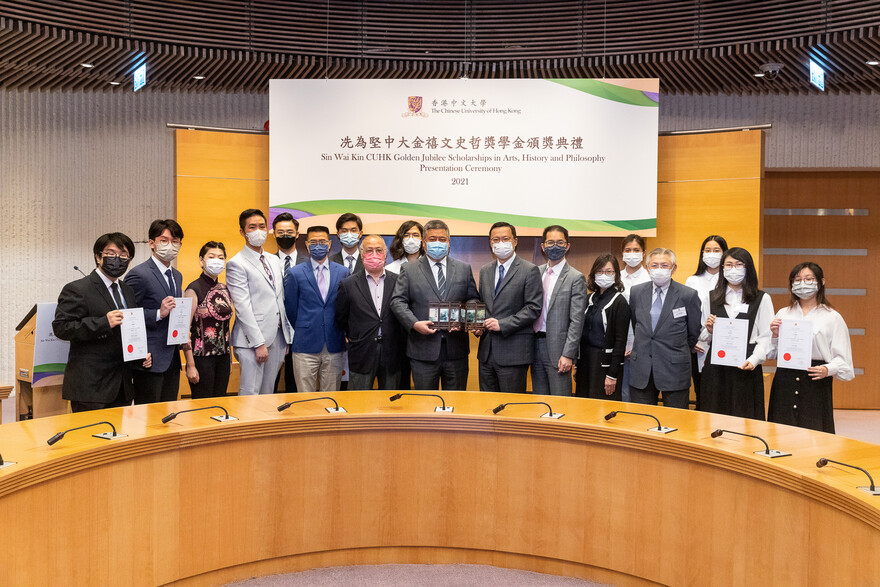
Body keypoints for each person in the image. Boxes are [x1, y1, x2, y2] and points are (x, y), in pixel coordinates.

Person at [53, 233, 151, 412]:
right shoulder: (77, 289)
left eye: (123, 256)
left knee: (119, 438)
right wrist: (103, 323)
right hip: (90, 387)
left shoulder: (127, 291)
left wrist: (140, 355)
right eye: (111, 254)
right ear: (98, 257)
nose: (117, 260)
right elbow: (61, 327)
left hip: (122, 386)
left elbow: (127, 331)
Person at [390, 219, 479, 390]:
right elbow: (397, 301)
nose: (437, 243)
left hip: (456, 351)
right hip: (422, 351)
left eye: (442, 239)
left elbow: (472, 299)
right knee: (424, 405)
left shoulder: (464, 268)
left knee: (456, 404)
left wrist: (464, 320)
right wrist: (414, 324)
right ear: (424, 243)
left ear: (448, 242)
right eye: (432, 239)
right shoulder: (409, 270)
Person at [767, 262, 854, 433]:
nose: (803, 283)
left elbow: (844, 362)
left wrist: (827, 369)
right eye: (797, 280)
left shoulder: (832, 317)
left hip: (815, 378)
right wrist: (775, 336)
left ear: (821, 282)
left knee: (814, 431)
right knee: (781, 429)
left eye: (809, 279)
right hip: (785, 378)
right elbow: (771, 353)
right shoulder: (783, 313)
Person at [700, 247, 773, 420]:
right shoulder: (710, 297)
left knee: (744, 417)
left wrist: (754, 360)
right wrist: (709, 331)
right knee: (715, 416)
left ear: (748, 268)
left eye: (739, 264)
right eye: (729, 265)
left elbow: (766, 336)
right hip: (717, 368)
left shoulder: (762, 298)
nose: (733, 269)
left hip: (745, 366)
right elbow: (703, 335)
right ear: (722, 269)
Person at [226, 209, 293, 395]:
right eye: (252, 227)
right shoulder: (236, 263)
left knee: (267, 393)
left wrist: (285, 337)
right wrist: (258, 343)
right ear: (243, 232)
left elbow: (279, 298)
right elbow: (242, 307)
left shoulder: (274, 259)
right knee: (250, 393)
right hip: (252, 341)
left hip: (277, 338)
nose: (258, 231)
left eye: (262, 226)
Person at [628, 247, 703, 409]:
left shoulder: (687, 295)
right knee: (641, 420)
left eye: (664, 265)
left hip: (674, 368)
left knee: (675, 422)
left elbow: (693, 332)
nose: (659, 270)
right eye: (654, 266)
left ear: (674, 268)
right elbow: (637, 325)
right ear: (647, 268)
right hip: (642, 368)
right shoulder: (636, 292)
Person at [477, 221, 543, 393]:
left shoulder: (529, 270)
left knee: (510, 406)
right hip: (486, 353)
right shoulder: (485, 271)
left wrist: (503, 324)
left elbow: (533, 308)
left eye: (505, 239)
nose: (500, 243)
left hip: (514, 353)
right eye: (495, 240)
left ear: (515, 241)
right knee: (485, 406)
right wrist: (476, 323)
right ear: (490, 243)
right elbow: (481, 303)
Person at [124, 219, 184, 404]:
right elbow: (127, 315)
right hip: (148, 359)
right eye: (164, 240)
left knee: (168, 413)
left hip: (172, 357)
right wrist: (158, 313)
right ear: (152, 243)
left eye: (175, 242)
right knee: (148, 417)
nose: (170, 246)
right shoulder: (139, 274)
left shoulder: (176, 275)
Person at [284, 225, 348, 392]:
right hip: (305, 344)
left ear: (329, 244)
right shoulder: (295, 273)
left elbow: (345, 307)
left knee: (332, 395)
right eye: (313, 242)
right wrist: (305, 325)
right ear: (306, 244)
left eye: (322, 241)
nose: (317, 245)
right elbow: (291, 308)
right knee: (305, 397)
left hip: (334, 343)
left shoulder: (343, 272)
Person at [335, 235, 403, 390]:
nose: (374, 254)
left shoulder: (399, 281)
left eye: (379, 250)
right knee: (358, 404)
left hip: (392, 352)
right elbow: (341, 318)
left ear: (385, 254)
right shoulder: (348, 285)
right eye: (369, 250)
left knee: (390, 405)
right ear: (361, 252)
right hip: (361, 352)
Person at [530, 225, 587, 396]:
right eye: (550, 242)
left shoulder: (575, 277)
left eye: (560, 242)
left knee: (560, 403)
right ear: (543, 246)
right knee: (539, 402)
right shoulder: (535, 272)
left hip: (559, 351)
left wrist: (568, 354)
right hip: (534, 346)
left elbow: (577, 321)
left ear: (567, 246)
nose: (555, 246)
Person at [575, 254, 631, 401]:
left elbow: (620, 342)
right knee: (583, 406)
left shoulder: (620, 302)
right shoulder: (589, 299)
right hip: (585, 362)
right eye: (599, 271)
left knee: (601, 409)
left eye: (608, 272)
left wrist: (612, 375)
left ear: (616, 275)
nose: (603, 275)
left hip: (605, 365)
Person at [182, 241, 234, 399]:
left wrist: (230, 358)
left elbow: (226, 327)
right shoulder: (193, 289)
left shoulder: (225, 289)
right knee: (202, 405)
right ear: (201, 261)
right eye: (211, 256)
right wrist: (190, 365)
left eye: (220, 257)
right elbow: (184, 331)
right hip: (201, 357)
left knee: (219, 402)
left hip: (223, 357)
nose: (216, 260)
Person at [685, 235, 729, 410]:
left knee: (723, 393)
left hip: (725, 343)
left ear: (725, 253)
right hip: (699, 345)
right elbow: (686, 315)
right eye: (708, 250)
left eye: (717, 250)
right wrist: (692, 340)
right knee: (702, 392)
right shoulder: (692, 280)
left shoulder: (730, 280)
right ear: (702, 254)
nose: (712, 254)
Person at [272, 212, 305, 394]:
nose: (285, 236)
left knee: (295, 385)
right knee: (270, 384)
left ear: (297, 234)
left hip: (300, 332)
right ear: (274, 234)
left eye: (289, 231)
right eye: (281, 232)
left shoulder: (309, 263)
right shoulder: (266, 262)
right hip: (273, 333)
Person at [619, 234, 652, 402]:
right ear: (622, 253)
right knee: (620, 391)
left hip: (641, 345)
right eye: (628, 250)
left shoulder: (650, 278)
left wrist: (635, 344)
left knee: (637, 393)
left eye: (636, 250)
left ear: (644, 253)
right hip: (618, 343)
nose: (632, 254)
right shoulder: (615, 277)